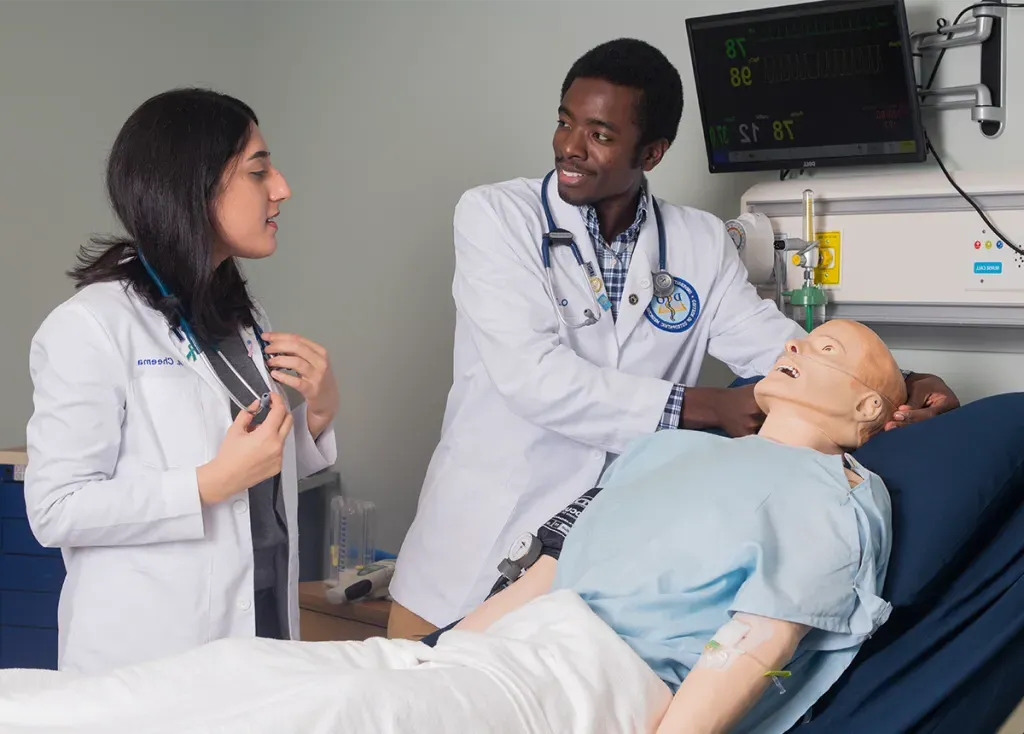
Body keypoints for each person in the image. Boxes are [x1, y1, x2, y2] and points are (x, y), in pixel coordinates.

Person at [0, 320, 901, 734]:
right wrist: (438, 649)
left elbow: (755, 640)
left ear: (867, 405)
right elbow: (554, 571)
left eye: (825, 349)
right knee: (237, 673)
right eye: (802, 335)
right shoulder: (669, 450)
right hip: (505, 649)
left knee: (327, 712)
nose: (793, 343)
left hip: (599, 681)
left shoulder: (838, 495)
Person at [386, 37, 960, 638]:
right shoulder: (496, 216)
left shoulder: (698, 242)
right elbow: (532, 378)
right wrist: (704, 407)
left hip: (603, 557)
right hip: (475, 540)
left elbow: (781, 350)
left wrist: (905, 387)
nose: (570, 147)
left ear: (653, 153)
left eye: (600, 134)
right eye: (565, 122)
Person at [23, 88, 340, 674]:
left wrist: (314, 418)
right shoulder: (91, 326)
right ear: (193, 186)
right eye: (259, 170)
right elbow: (56, 508)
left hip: (264, 625)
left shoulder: (242, 316)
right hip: (153, 654)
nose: (281, 188)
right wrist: (207, 483)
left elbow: (254, 470)